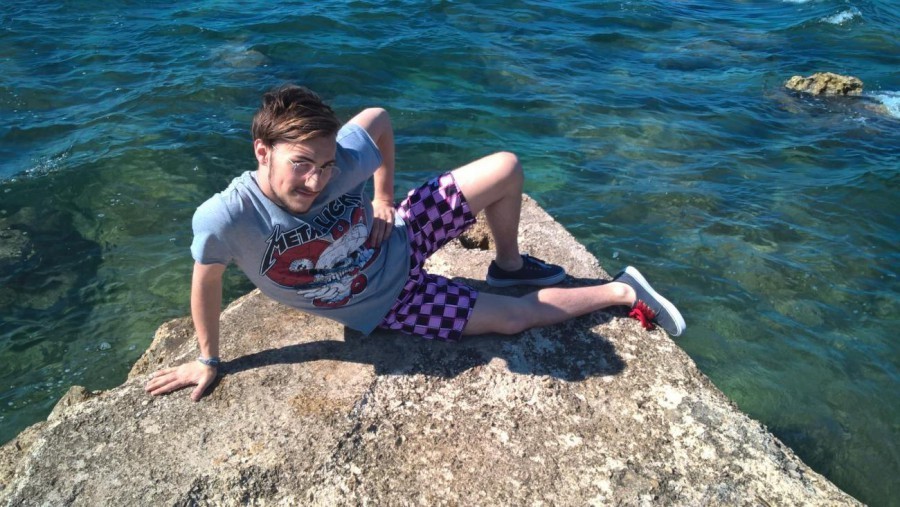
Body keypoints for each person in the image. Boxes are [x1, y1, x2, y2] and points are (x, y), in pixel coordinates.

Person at [145, 85, 685, 401]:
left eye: (326, 165)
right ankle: (621, 292)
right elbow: (206, 280)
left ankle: (509, 264)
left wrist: (383, 197)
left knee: (505, 166)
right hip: (389, 302)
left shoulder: (341, 160)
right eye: (301, 164)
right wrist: (208, 359)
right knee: (514, 319)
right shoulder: (225, 217)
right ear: (262, 151)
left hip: (400, 233)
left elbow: (378, 119)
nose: (316, 180)